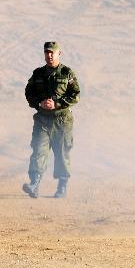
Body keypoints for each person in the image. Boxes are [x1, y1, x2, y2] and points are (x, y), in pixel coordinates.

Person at [22, 41, 81, 199]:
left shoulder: (67, 73)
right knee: (38, 151)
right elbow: (28, 92)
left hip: (62, 121)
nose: (49, 55)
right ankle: (34, 184)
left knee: (62, 154)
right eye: (47, 52)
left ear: (59, 54)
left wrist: (57, 104)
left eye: (52, 53)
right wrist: (39, 103)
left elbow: (75, 95)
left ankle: (62, 186)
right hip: (42, 120)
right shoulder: (38, 74)